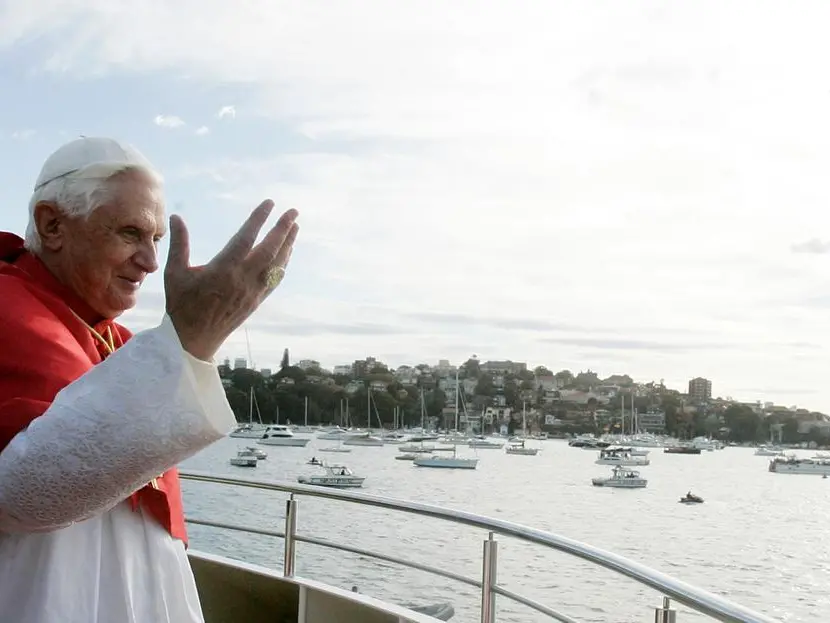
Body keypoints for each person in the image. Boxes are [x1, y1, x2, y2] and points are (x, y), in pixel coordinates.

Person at [0, 137, 300, 623]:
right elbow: (21, 497)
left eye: (156, 238)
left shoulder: (117, 341)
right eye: (130, 233)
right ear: (52, 225)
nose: (150, 261)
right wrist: (192, 338)